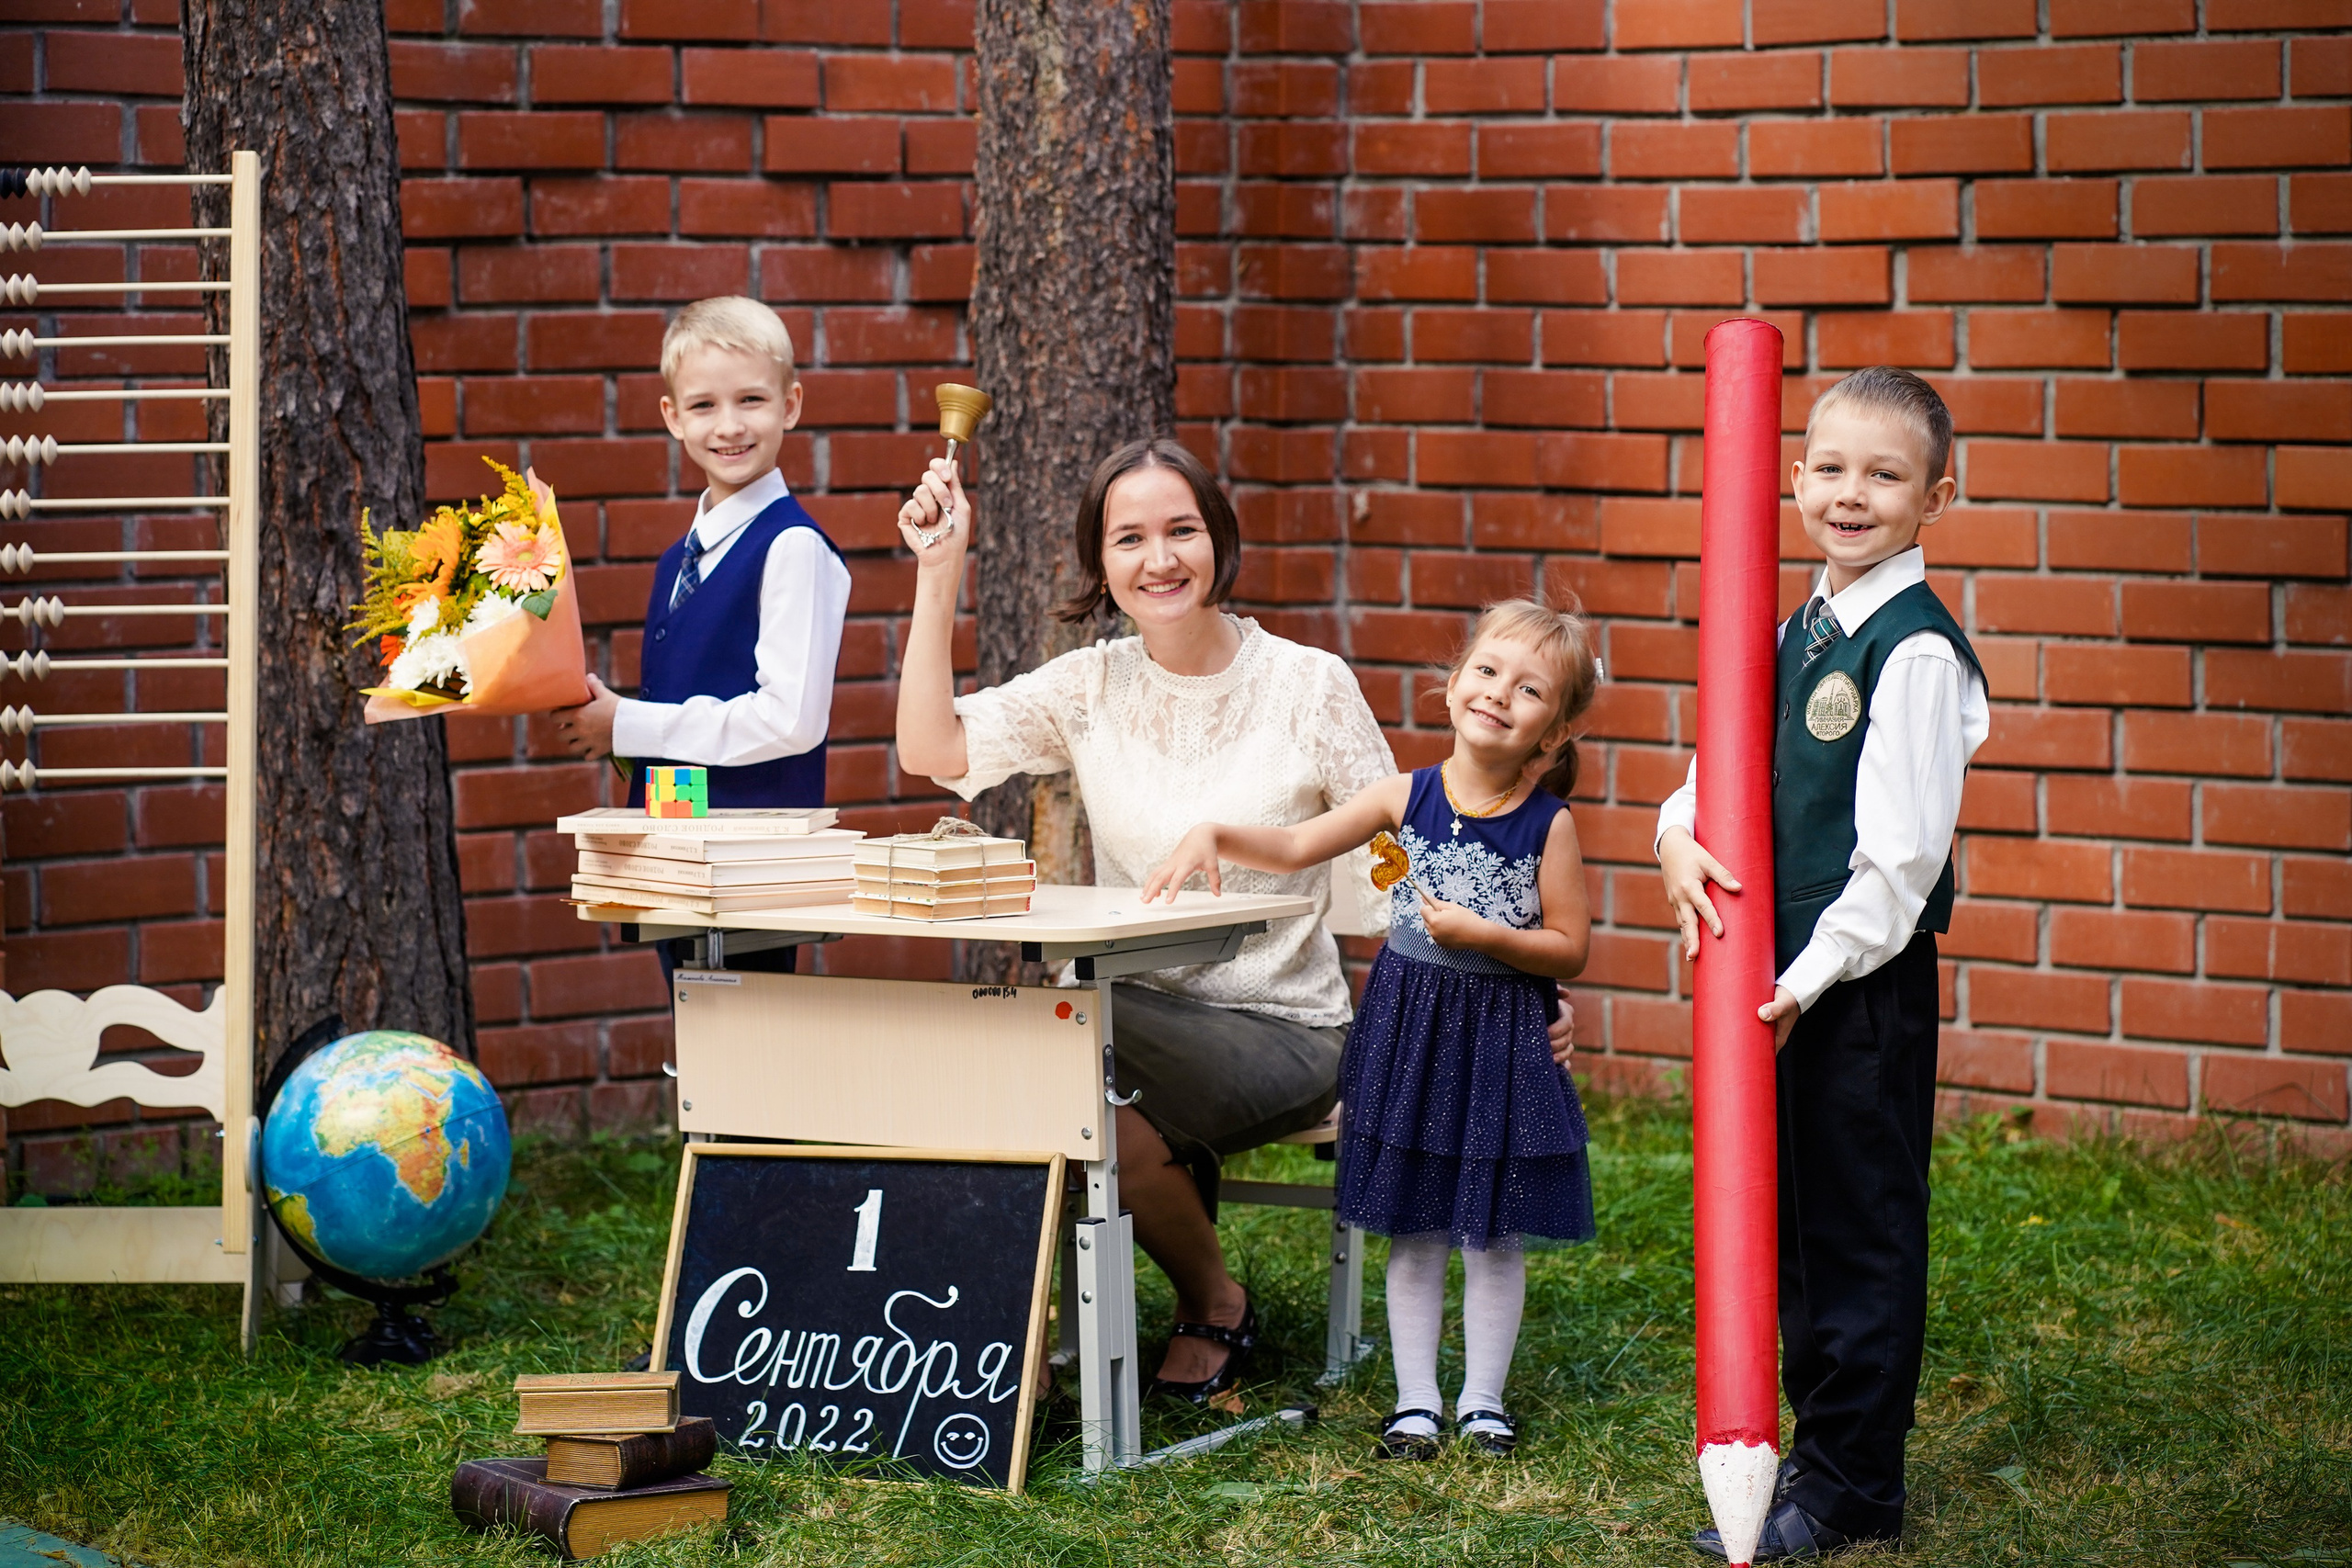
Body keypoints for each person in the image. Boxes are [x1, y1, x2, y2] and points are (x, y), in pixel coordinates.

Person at [892, 437, 1399, 1403]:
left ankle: (1214, 1300)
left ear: (1219, 542)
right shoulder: (1091, 686)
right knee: (1033, 1057)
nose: (1158, 560)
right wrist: (937, 572)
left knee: (1078, 1071)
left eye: (1181, 531)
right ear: (1101, 562)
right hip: (1127, 1012)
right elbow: (933, 747)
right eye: (1129, 539)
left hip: (1283, 1026)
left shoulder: (1308, 683)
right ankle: (1003, 1340)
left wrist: (1501, 991)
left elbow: (1395, 859)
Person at [1657, 367, 1987, 1561]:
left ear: (1934, 496)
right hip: (1774, 980)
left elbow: (1899, 861)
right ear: (1792, 477)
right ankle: (1813, 1453)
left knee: (1860, 1227)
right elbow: (1726, 759)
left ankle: (1854, 1485)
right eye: (1831, 468)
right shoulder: (1793, 622)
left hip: (1855, 986)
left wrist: (1806, 981)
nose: (1853, 494)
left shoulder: (1914, 652)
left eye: (1886, 474)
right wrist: (1674, 834)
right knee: (1788, 1224)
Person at [1145, 598, 1600, 1460]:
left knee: (1494, 1230)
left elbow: (1569, 946)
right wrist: (1215, 831)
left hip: (1499, 1043)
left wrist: (1488, 936)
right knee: (1418, 1221)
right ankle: (1418, 1400)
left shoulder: (1550, 826)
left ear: (1552, 735)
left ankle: (1485, 1401)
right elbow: (1294, 846)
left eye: (1530, 688)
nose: (1500, 693)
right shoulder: (1405, 796)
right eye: (1488, 670)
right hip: (1413, 1036)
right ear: (1455, 681)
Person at [554, 296, 850, 975]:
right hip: (675, 854)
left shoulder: (793, 547)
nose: (730, 425)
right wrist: (606, 716)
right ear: (672, 418)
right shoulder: (675, 561)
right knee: (700, 1055)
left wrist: (627, 725)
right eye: (704, 406)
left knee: (745, 1061)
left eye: (752, 399)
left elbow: (791, 721)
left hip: (748, 874)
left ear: (792, 405)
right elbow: (690, 696)